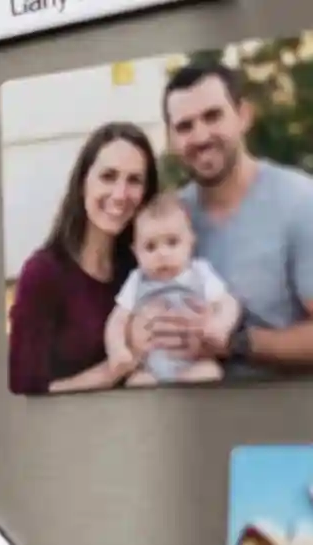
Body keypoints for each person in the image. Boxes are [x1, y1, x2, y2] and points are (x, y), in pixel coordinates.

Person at [132, 60, 313, 377]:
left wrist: (236, 343)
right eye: (185, 126)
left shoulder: (300, 201)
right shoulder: (169, 220)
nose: (201, 136)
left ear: (243, 116)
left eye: (213, 116)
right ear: (171, 139)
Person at [7, 122, 160, 394]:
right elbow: (24, 394)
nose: (120, 194)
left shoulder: (141, 268)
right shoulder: (43, 274)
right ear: (82, 182)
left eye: (134, 180)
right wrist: (112, 371)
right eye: (108, 176)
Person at [105, 191, 238, 385]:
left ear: (191, 241)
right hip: (151, 368)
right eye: (150, 247)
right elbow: (117, 320)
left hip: (193, 362)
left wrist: (220, 326)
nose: (162, 253)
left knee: (210, 372)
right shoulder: (136, 280)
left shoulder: (200, 272)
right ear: (136, 252)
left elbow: (228, 302)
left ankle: (184, 394)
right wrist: (118, 350)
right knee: (137, 383)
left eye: (172, 242)